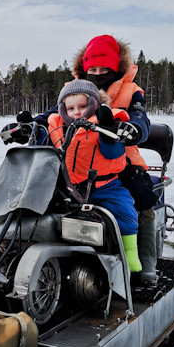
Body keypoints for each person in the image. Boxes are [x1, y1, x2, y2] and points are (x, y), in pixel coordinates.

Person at [71, 35, 159, 285]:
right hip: (80, 160)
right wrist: (31, 124)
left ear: (115, 69)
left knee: (141, 194)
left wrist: (133, 129)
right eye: (93, 69)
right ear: (84, 69)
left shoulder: (132, 91)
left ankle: (145, 261)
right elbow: (56, 112)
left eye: (104, 69)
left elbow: (141, 118)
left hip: (122, 156)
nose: (98, 74)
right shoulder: (75, 88)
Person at [47, 79, 142, 274]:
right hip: (70, 187)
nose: (77, 112)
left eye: (82, 106)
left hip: (105, 186)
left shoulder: (104, 123)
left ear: (93, 104)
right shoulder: (59, 127)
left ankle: (130, 252)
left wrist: (108, 129)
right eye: (71, 108)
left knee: (124, 210)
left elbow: (113, 152)